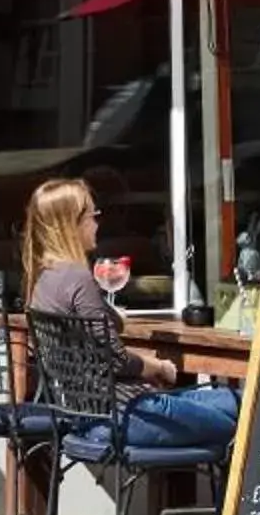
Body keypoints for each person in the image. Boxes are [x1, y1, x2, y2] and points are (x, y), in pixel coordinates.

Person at [23, 178, 240, 446]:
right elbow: (116, 361)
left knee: (235, 401)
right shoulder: (77, 277)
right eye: (93, 215)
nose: (97, 223)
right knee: (245, 420)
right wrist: (158, 366)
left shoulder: (44, 280)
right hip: (126, 413)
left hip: (90, 414)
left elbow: (102, 345)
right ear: (71, 224)